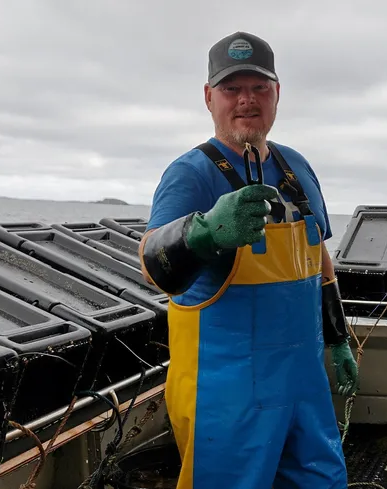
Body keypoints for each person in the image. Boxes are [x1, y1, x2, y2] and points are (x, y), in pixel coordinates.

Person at [138, 31, 358, 489]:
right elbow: (150, 265)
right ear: (209, 97)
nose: (246, 100)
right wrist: (202, 233)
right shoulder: (190, 173)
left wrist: (338, 337)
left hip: (303, 384)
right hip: (224, 394)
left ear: (277, 95)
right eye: (231, 88)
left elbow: (318, 253)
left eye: (259, 88)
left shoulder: (297, 166)